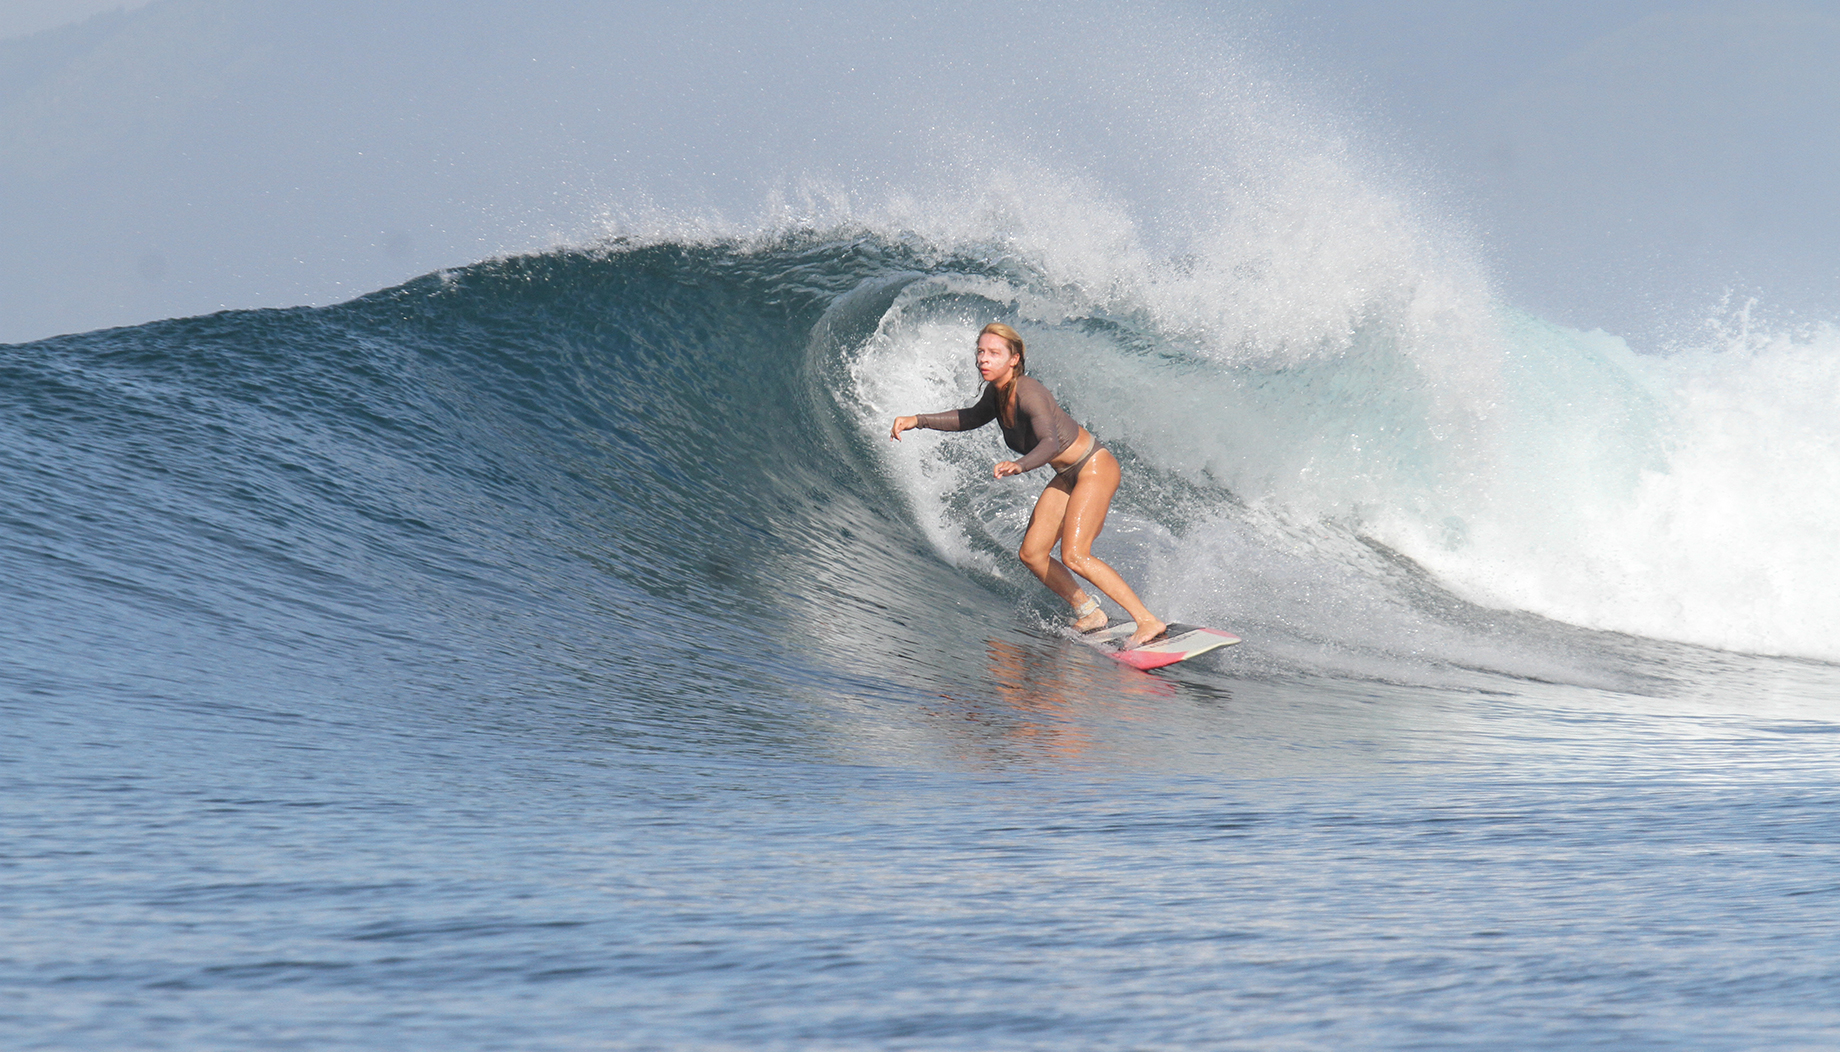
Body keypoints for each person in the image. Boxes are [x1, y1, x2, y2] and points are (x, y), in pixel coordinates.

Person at [890, 323, 1168, 648]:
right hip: (1067, 475)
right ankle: (1089, 611)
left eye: (994, 353)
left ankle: (1148, 621)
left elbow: (1050, 443)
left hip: (1094, 467)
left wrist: (1019, 465)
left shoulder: (1028, 392)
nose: (984, 359)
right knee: (1032, 553)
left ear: (1014, 359)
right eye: (981, 351)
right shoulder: (996, 393)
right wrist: (917, 420)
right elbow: (969, 418)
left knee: (1075, 555)